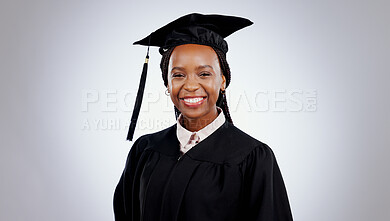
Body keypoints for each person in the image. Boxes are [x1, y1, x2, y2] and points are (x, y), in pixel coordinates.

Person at [114, 13, 293, 221]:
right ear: (167, 83)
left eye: (204, 74)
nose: (190, 85)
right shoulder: (145, 150)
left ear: (223, 80)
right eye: (178, 75)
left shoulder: (253, 157)